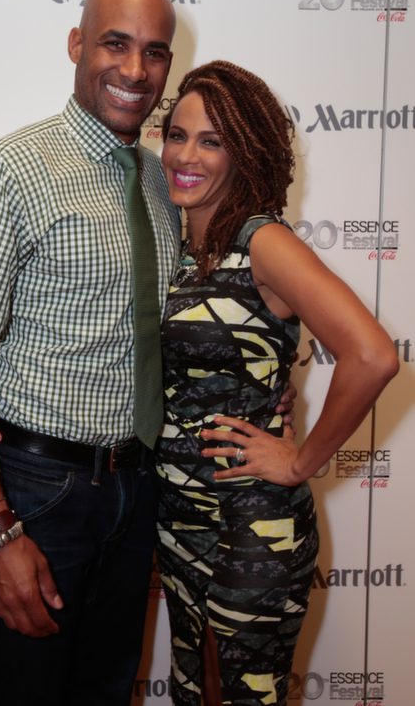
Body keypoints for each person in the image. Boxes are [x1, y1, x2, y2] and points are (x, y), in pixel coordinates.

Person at [0, 0, 295, 705]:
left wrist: (269, 389)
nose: (134, 70)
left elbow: (213, 312)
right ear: (76, 45)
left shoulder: (168, 181)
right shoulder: (10, 171)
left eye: (154, 53)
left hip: (142, 489)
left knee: (107, 691)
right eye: (115, 44)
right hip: (43, 492)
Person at [154, 60, 399, 706]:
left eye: (212, 141)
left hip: (252, 525)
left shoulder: (263, 242)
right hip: (181, 522)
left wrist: (298, 461)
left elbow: (372, 355)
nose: (186, 155)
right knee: (196, 689)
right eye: (176, 135)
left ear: (247, 151)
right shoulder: (183, 251)